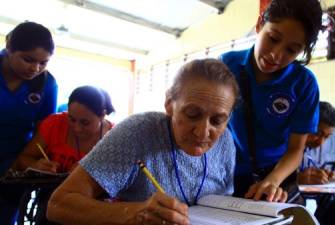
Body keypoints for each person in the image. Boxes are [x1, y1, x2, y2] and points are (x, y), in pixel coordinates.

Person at [47, 58, 245, 225]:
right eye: (192, 114)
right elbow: (59, 204)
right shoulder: (138, 132)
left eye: (218, 121)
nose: (203, 132)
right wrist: (136, 213)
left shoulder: (225, 141)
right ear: (169, 104)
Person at [220, 0, 323, 201]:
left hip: (278, 175)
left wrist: (273, 180)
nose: (276, 55)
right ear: (259, 25)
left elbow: (296, 149)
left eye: (291, 50)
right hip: (227, 172)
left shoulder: (304, 84)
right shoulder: (226, 65)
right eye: (273, 38)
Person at [0, 21, 57, 225]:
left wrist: (37, 163)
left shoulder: (47, 84)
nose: (35, 68)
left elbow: (44, 133)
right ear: (9, 48)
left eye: (44, 63)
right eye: (28, 59)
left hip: (14, 166)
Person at [15, 85, 115, 173]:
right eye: (71, 119)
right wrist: (36, 165)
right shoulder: (54, 123)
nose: (77, 128)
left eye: (85, 123)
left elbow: (119, 181)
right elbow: (24, 158)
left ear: (102, 115)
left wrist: (91, 173)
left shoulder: (115, 136)